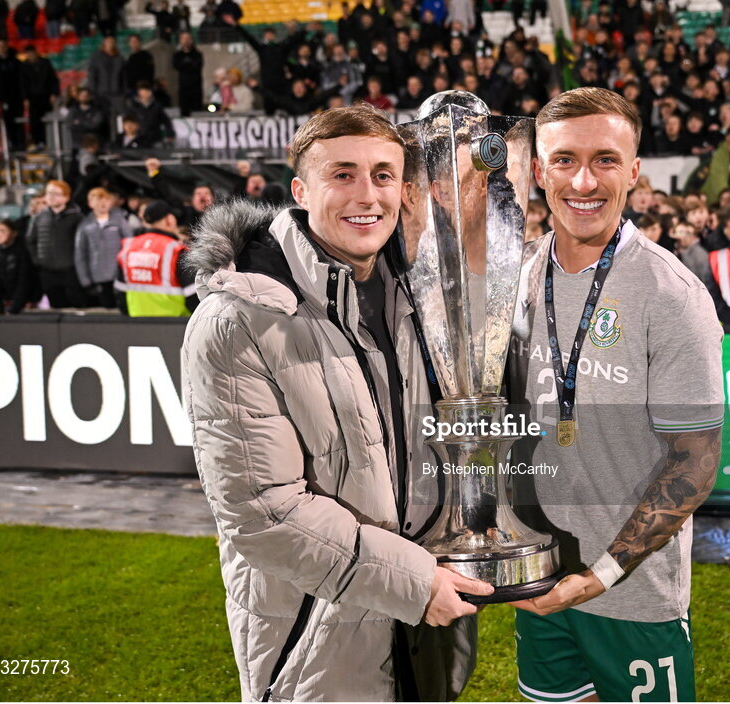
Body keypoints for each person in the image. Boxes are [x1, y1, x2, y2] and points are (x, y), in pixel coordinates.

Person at [181, 105, 490, 701]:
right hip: (316, 644)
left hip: (426, 633)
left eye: (382, 175)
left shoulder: (420, 297)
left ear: (404, 190)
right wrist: (416, 583)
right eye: (342, 174)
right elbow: (262, 516)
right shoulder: (237, 319)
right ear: (300, 190)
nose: (366, 195)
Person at [507, 87, 724, 703]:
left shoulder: (671, 293)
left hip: (633, 597)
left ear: (634, 171)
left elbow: (695, 464)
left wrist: (599, 576)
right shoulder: (518, 281)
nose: (583, 180)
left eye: (605, 159)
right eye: (564, 159)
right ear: (538, 171)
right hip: (543, 586)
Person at [114, 200, 198, 316]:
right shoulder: (176, 250)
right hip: (174, 325)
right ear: (168, 220)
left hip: (137, 322)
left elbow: (120, 293)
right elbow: (193, 294)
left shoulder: (129, 248)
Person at [28, 180, 87, 308]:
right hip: (48, 271)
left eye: (56, 194)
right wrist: (38, 260)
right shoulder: (38, 217)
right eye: (49, 193)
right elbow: (31, 241)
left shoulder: (77, 217)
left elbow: (84, 244)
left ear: (66, 197)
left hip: (71, 270)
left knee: (77, 302)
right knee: (56, 304)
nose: (51, 197)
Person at [76, 187, 132, 308]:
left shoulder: (120, 221)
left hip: (120, 275)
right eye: (98, 200)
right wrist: (85, 280)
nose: (103, 203)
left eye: (106, 200)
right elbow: (80, 254)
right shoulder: (85, 226)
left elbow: (130, 245)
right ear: (90, 204)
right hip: (98, 277)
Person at [0, 218, 40, 314]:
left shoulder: (23, 252)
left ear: (13, 233)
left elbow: (24, 282)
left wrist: (15, 307)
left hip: (26, 302)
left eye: (2, 231)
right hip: (6, 301)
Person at [21, 45, 61, 151]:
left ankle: (50, 141)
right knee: (35, 121)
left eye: (32, 52)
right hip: (32, 98)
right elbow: (22, 83)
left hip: (46, 96)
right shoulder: (23, 66)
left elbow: (53, 79)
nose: (30, 55)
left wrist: (54, 93)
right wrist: (25, 98)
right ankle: (39, 142)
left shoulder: (45, 63)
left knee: (47, 118)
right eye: (28, 53)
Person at [172, 31, 204, 116]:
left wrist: (186, 64)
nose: (186, 41)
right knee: (184, 111)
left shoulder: (197, 54)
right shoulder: (177, 55)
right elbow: (177, 66)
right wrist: (188, 64)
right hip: (184, 87)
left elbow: (197, 66)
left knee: (197, 111)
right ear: (180, 40)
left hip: (196, 88)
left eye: (188, 38)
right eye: (184, 39)